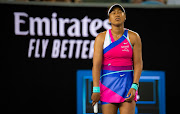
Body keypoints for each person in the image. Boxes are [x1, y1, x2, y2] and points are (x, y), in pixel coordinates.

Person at [91, 4, 143, 114]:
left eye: (120, 12)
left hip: (127, 85)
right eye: (113, 13)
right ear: (109, 19)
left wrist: (134, 86)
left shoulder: (134, 37)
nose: (117, 15)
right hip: (107, 85)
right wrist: (96, 89)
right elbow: (96, 65)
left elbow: (138, 64)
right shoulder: (101, 38)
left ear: (125, 17)